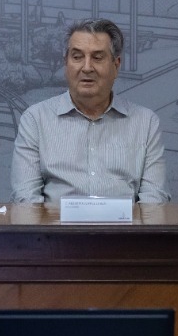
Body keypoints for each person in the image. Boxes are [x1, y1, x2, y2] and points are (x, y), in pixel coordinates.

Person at [11, 18, 168, 204]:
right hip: (55, 223)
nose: (86, 68)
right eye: (77, 57)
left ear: (116, 65)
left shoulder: (146, 123)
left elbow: (154, 200)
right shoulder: (36, 120)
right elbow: (26, 198)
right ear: (66, 63)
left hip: (125, 224)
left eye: (97, 58)